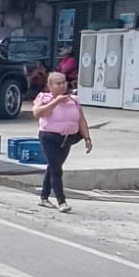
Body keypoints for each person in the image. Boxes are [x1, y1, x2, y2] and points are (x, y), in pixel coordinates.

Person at [32, 71, 92, 214]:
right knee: (56, 170)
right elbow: (37, 113)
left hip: (67, 139)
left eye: (64, 83)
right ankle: (61, 201)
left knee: (53, 167)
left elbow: (81, 120)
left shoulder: (74, 100)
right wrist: (56, 101)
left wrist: (87, 138)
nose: (62, 86)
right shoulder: (44, 97)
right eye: (58, 84)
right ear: (50, 85)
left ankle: (44, 197)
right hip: (49, 138)